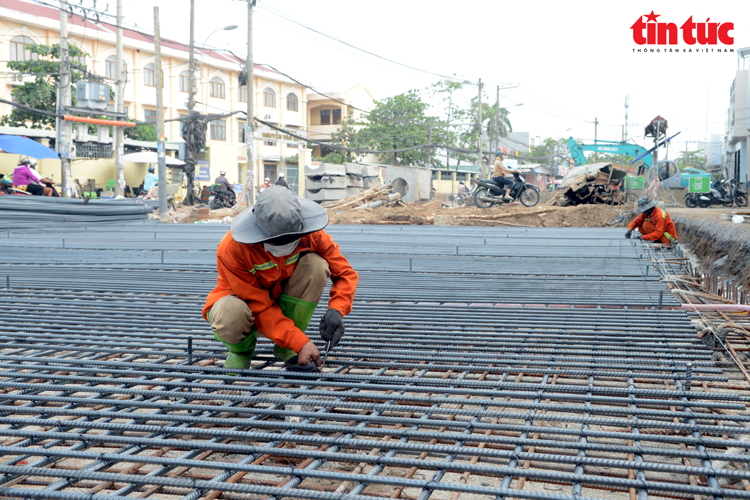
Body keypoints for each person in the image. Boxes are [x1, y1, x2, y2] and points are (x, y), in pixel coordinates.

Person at [202, 185, 359, 372]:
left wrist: (337, 309)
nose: (286, 247)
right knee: (231, 313)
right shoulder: (233, 249)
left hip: (280, 297)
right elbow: (258, 306)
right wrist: (300, 343)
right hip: (245, 303)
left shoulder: (311, 234)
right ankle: (240, 350)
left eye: (291, 240)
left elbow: (344, 273)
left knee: (316, 266)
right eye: (278, 242)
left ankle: (285, 346)